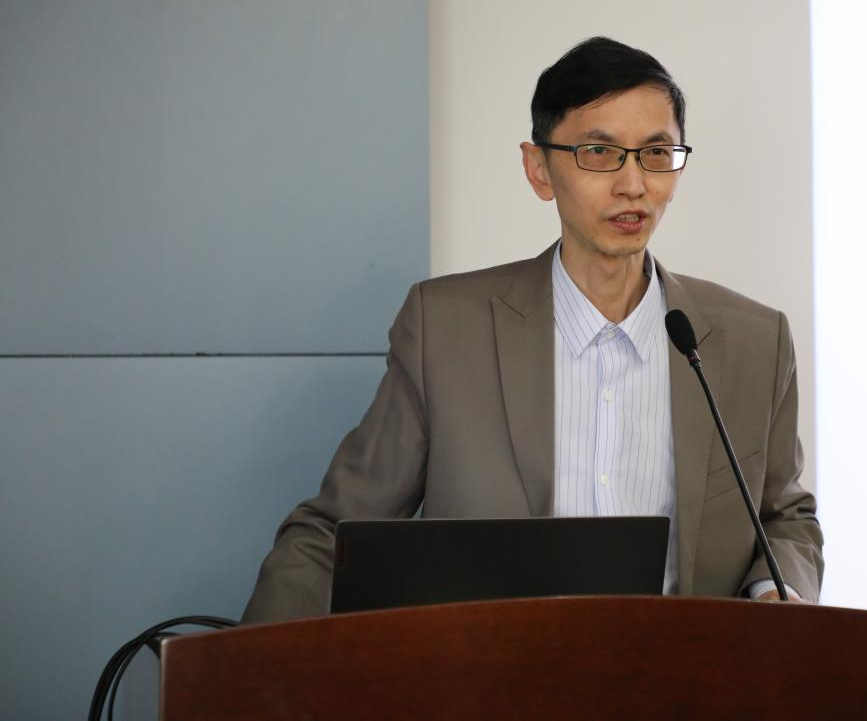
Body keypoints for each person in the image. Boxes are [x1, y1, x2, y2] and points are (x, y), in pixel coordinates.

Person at [242, 37, 823, 622]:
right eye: (600, 152)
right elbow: (333, 535)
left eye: (656, 153)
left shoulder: (754, 342)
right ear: (539, 169)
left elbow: (784, 517)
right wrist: (252, 662)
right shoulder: (446, 332)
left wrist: (773, 593)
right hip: (493, 669)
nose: (633, 184)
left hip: (684, 671)